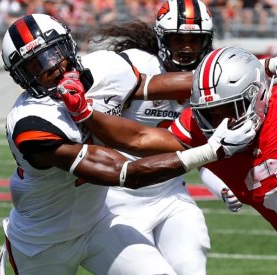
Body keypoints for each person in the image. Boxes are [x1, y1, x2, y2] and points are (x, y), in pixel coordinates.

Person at [68, 47, 277, 275]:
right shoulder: (202, 133)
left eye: (226, 110)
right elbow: (139, 139)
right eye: (208, 113)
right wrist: (86, 113)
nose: (218, 122)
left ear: (257, 96)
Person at [0, 14, 256, 275]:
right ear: (22, 77)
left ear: (68, 46)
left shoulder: (101, 68)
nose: (51, 67)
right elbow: (126, 173)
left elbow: (149, 87)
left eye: (54, 53)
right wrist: (210, 151)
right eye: (35, 65)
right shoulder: (31, 123)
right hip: (42, 242)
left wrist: (261, 71)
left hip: (98, 222)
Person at [87, 1, 237, 273]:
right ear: (162, 38)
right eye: (178, 38)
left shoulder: (212, 78)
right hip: (117, 201)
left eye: (195, 38)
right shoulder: (136, 65)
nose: (187, 47)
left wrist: (224, 186)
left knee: (192, 267)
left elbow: (207, 151)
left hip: (170, 196)